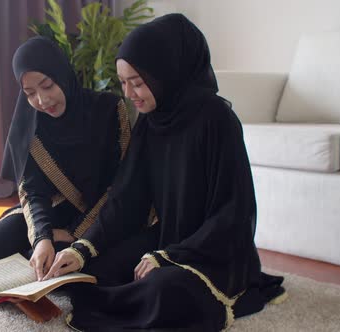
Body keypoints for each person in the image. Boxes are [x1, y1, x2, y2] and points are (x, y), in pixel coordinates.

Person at [44, 14, 286, 331]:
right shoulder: (152, 121)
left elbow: (233, 214)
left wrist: (170, 256)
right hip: (167, 238)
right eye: (123, 83)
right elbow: (126, 199)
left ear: (165, 74)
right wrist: (82, 248)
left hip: (215, 252)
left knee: (163, 291)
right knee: (94, 270)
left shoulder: (218, 120)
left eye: (138, 83)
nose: (129, 93)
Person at [0, 36, 139, 281]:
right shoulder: (29, 124)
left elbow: (121, 184)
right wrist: (43, 237)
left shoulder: (108, 109)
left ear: (62, 75)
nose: (42, 101)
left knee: (73, 264)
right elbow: (32, 192)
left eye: (47, 86)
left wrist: (74, 232)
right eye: (30, 93)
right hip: (54, 211)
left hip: (105, 216)